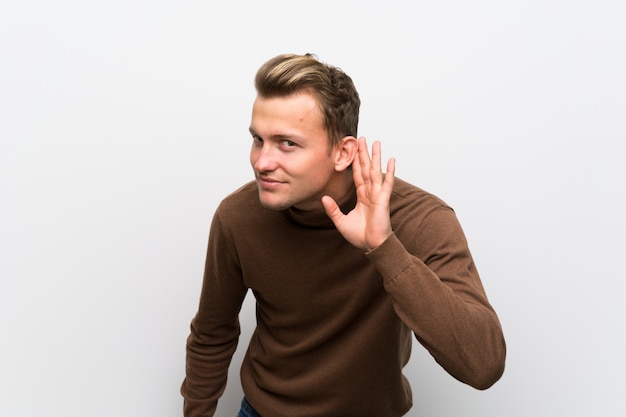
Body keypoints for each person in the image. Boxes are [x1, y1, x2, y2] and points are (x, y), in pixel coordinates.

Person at [181, 53, 506, 417]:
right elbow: (212, 334)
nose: (262, 162)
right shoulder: (238, 217)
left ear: (343, 152)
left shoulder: (420, 218)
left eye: (287, 143)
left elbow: (484, 365)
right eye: (258, 140)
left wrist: (384, 248)